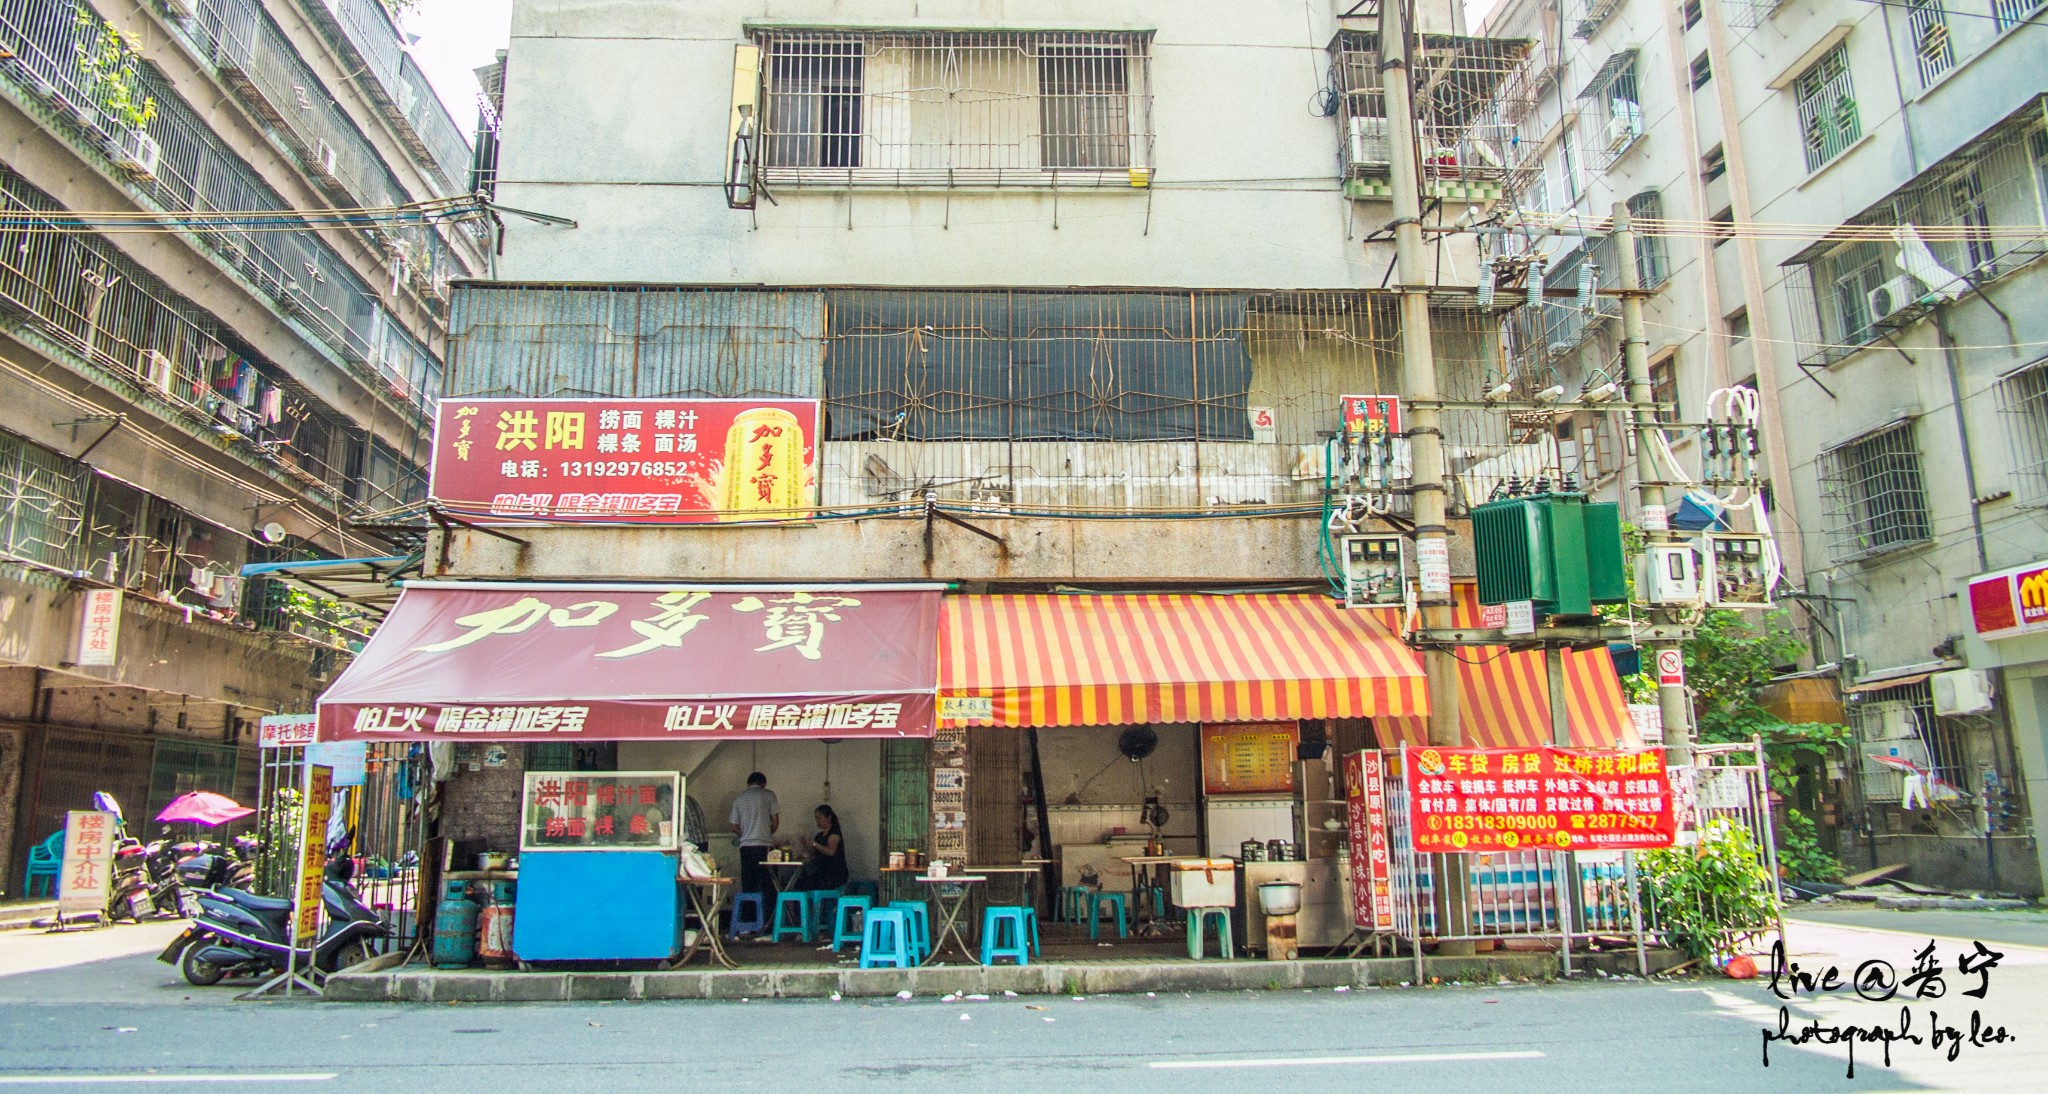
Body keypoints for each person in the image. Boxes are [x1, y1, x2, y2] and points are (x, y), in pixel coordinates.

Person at [728, 772, 780, 912]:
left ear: (748, 783)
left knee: (748, 884)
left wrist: (745, 834)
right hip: (764, 847)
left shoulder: (739, 799)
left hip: (746, 847)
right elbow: (775, 822)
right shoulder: (769, 795)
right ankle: (768, 918)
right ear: (763, 783)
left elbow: (733, 826)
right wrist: (767, 833)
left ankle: (749, 918)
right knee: (768, 884)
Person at [791, 805, 848, 892]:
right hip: (820, 871)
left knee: (803, 883)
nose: (817, 821)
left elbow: (831, 852)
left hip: (833, 874)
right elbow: (816, 854)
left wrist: (814, 844)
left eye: (819, 818)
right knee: (797, 881)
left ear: (828, 818)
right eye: (816, 818)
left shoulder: (834, 834)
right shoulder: (819, 836)